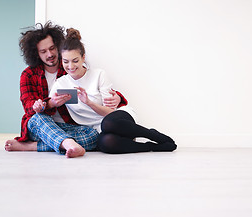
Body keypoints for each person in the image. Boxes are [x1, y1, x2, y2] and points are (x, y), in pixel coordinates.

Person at [5, 22, 127, 157]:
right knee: (36, 118)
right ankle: (69, 144)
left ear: (58, 46)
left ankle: (32, 146)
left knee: (93, 136)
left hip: (70, 126)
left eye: (52, 48)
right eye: (43, 51)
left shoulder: (70, 67)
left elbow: (96, 87)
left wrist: (118, 97)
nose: (50, 54)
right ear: (36, 53)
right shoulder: (28, 75)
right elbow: (29, 109)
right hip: (42, 126)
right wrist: (49, 104)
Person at [47, 28, 177, 154]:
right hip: (97, 130)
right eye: (65, 61)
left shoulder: (99, 75)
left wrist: (89, 102)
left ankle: (152, 134)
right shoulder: (60, 84)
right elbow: (48, 106)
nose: (70, 66)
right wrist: (51, 103)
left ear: (83, 57)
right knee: (106, 144)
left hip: (116, 119)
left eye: (75, 61)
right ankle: (151, 147)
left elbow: (110, 112)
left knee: (108, 123)